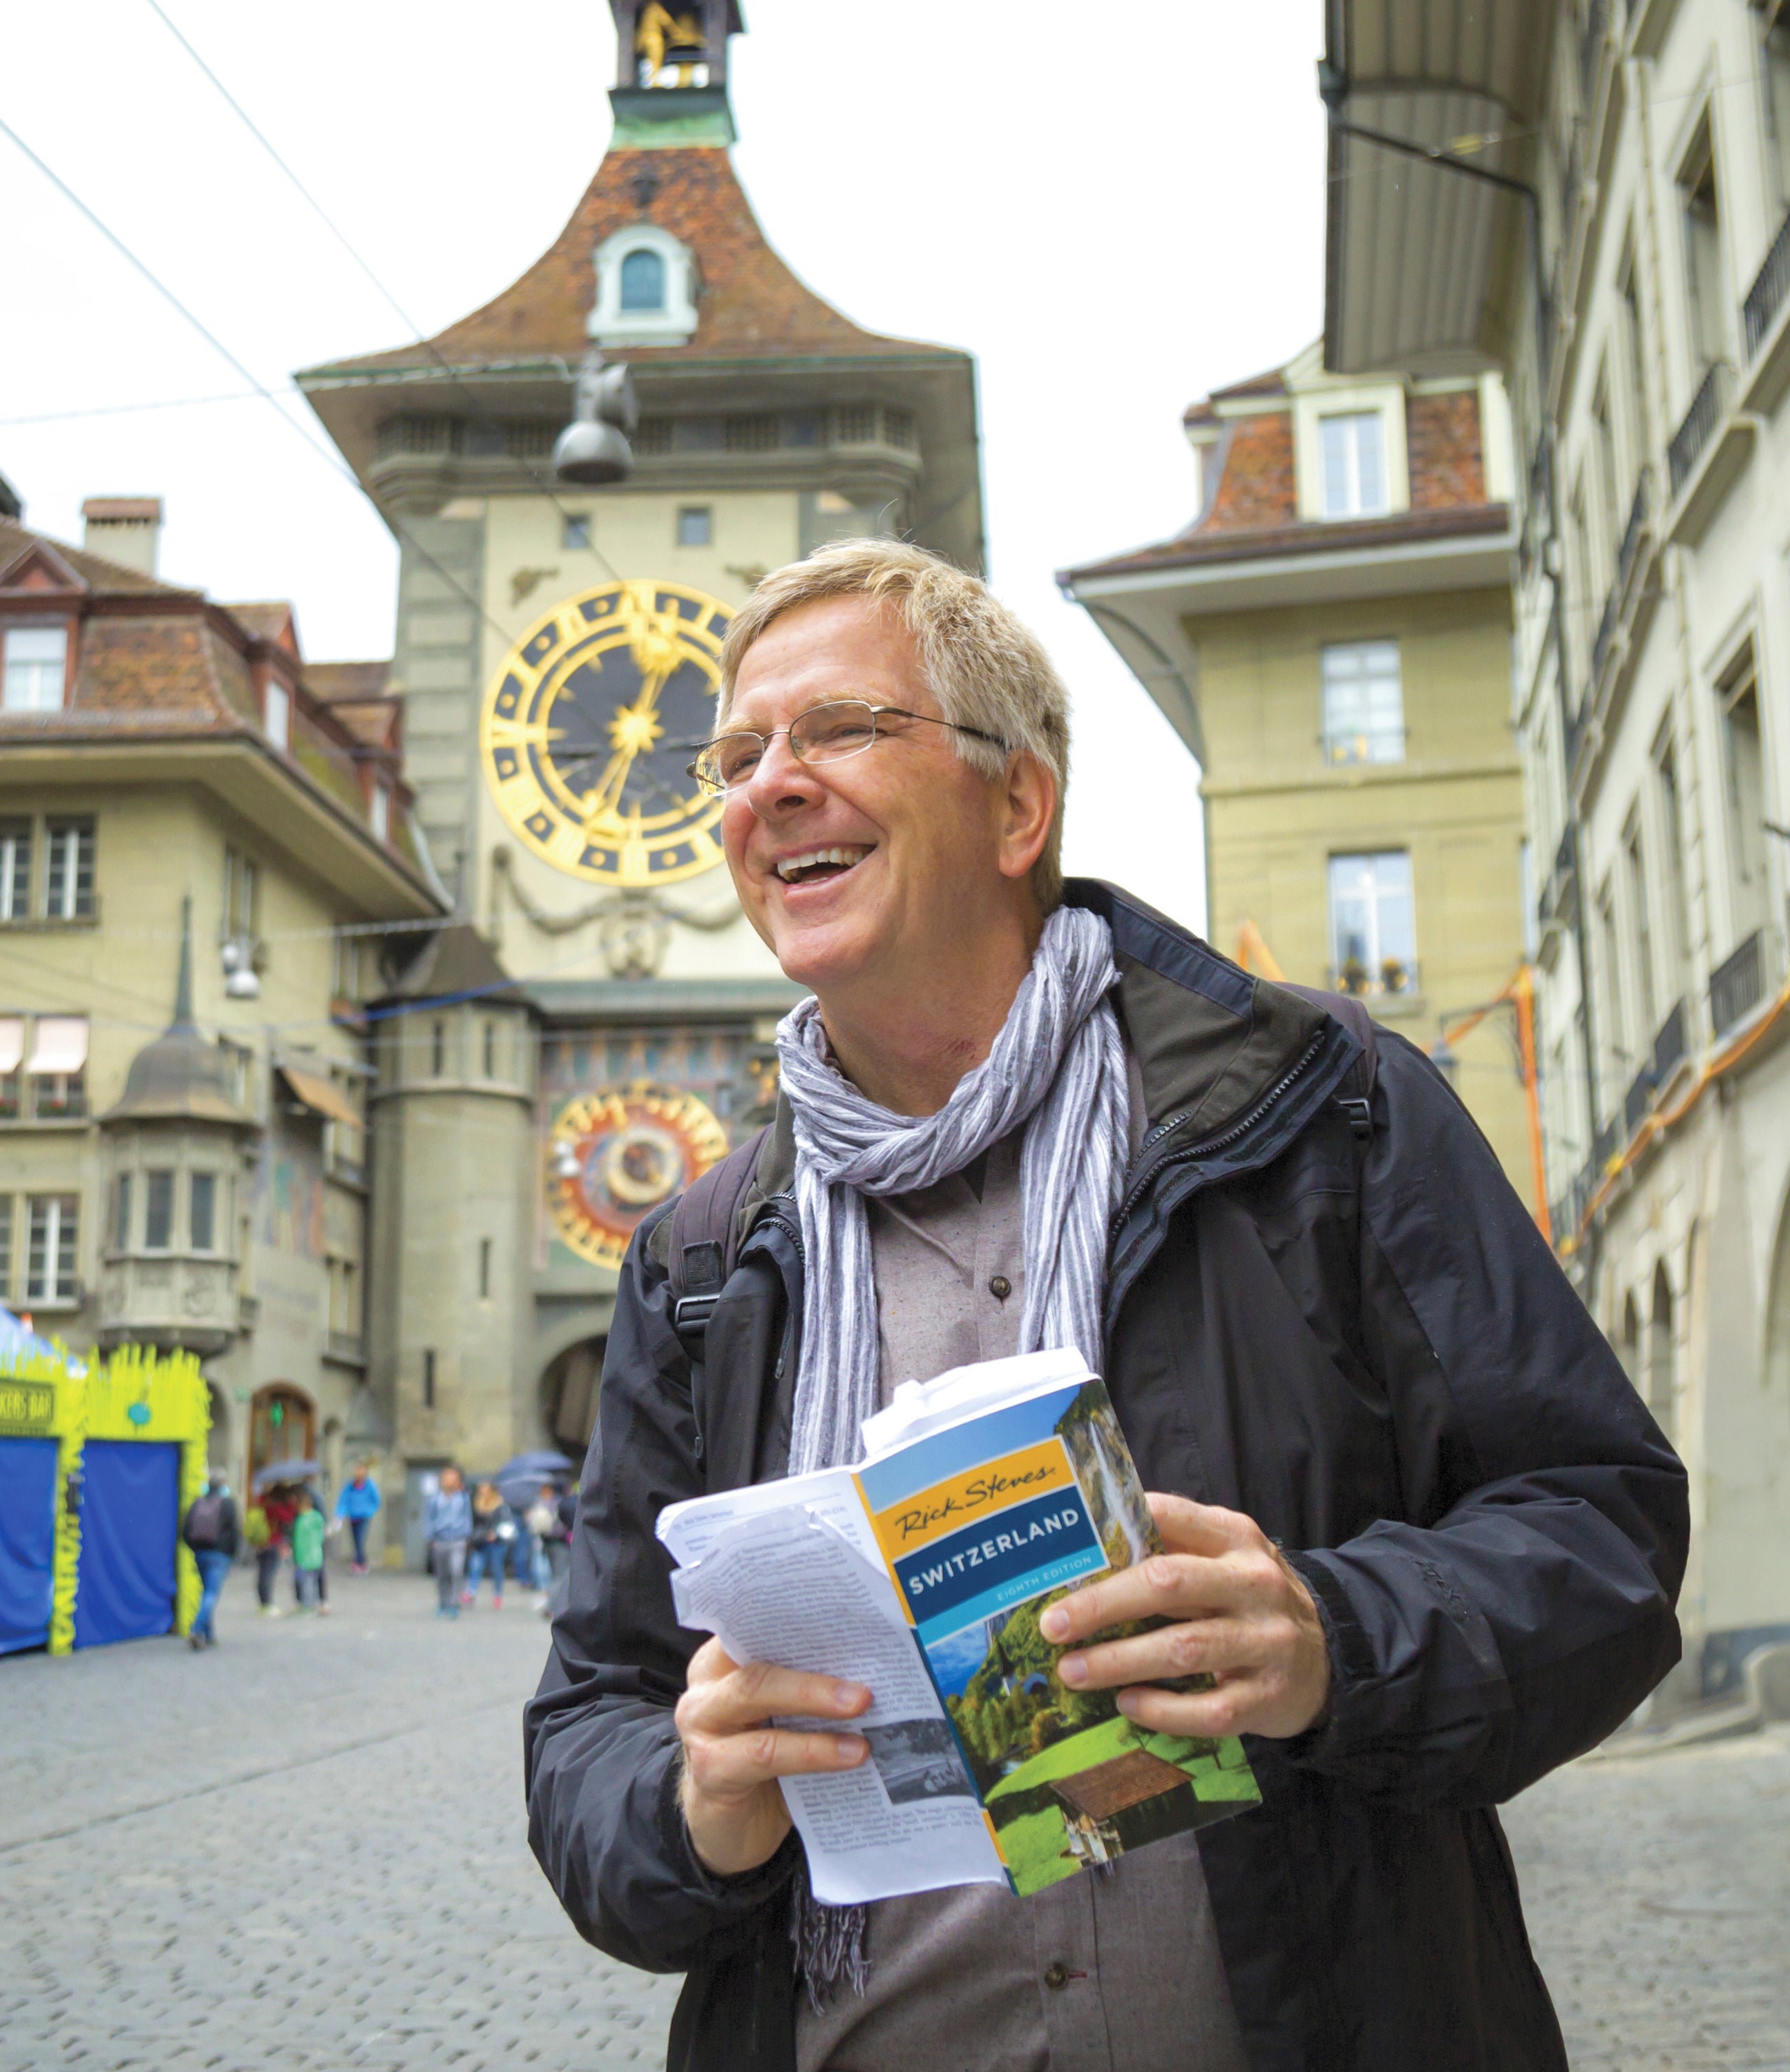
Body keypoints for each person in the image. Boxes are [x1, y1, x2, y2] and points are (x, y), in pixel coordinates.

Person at [524, 541, 1688, 2071]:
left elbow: (1603, 1537)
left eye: (842, 731)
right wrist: (690, 1806)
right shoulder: (699, 1259)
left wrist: (1334, 1636)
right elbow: (590, 1720)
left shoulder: (1323, 1117)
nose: (768, 787)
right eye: (738, 757)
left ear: (1020, 805)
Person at [180, 1475, 240, 1650]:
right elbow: (235, 1531)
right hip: (220, 1555)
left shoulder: (198, 1503)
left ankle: (209, 1635)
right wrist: (232, 1554)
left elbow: (185, 1530)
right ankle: (197, 1629)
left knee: (206, 1593)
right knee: (212, 1594)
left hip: (200, 1553)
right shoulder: (228, 1503)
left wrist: (195, 1548)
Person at [426, 1466, 473, 1618]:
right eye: (447, 1478)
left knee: (456, 1571)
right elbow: (429, 1519)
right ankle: (443, 1602)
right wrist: (430, 1537)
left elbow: (467, 1518)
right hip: (440, 1540)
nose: (449, 1482)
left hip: (458, 1539)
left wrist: (467, 1536)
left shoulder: (463, 1499)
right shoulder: (435, 1500)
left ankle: (454, 1603)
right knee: (442, 1574)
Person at [252, 1479, 298, 1618]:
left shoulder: (263, 1500)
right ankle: (267, 1604)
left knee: (262, 1573)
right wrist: (291, 1503)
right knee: (268, 1573)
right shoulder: (277, 1506)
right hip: (272, 1542)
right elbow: (288, 1517)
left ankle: (262, 1603)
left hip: (260, 1541)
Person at [467, 1479, 512, 1610]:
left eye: (485, 1490)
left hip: (496, 1541)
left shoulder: (500, 1504)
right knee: (476, 1566)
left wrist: (496, 1533)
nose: (483, 1492)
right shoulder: (476, 1503)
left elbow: (506, 1522)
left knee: (497, 1568)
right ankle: (471, 1592)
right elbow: (474, 1522)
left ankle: (498, 1594)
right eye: (481, 1490)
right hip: (480, 1541)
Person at [525, 1482, 568, 1608]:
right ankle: (550, 1603)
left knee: (550, 1571)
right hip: (557, 1541)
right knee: (557, 1574)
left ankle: (547, 1596)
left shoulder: (538, 1504)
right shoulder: (558, 1503)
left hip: (545, 1541)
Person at [289, 1487, 330, 1615]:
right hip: (316, 1556)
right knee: (312, 1582)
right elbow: (322, 1534)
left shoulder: (301, 1521)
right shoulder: (317, 1517)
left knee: (305, 1583)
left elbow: (298, 1541)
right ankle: (316, 1603)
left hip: (304, 1558)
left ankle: (307, 1606)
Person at [336, 1466, 383, 1574]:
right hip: (353, 1516)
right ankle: (362, 1562)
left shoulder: (370, 1486)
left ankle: (358, 1563)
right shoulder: (349, 1487)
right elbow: (343, 1501)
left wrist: (369, 1512)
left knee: (360, 1539)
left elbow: (376, 1501)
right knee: (356, 1541)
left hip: (364, 1517)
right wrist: (340, 1515)